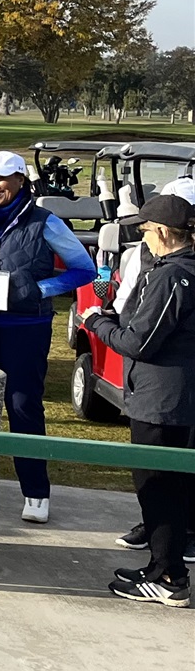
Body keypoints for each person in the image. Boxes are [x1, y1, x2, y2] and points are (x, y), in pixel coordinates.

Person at [0, 150, 92, 525]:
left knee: (23, 405)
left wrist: (37, 290)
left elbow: (83, 269)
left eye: (1, 178)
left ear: (20, 181)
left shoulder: (46, 222)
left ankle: (36, 492)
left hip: (24, 328)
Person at [82, 193, 195, 606]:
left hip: (162, 400)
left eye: (146, 229)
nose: (143, 237)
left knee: (158, 486)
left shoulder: (172, 275)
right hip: (174, 396)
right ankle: (162, 566)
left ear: (163, 232)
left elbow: (139, 342)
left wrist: (96, 322)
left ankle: (169, 577)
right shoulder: (173, 270)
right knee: (171, 486)